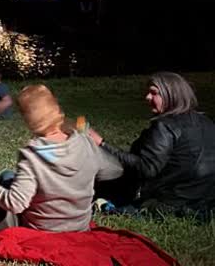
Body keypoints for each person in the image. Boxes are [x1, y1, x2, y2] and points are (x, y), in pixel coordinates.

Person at [0, 85, 122, 232]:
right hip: (80, 227)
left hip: (42, 230)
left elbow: (16, 203)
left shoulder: (33, 155)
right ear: (55, 108)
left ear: (29, 119)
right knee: (7, 176)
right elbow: (114, 170)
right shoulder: (85, 142)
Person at [89, 72, 215, 215]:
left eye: (154, 93)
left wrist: (102, 143)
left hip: (171, 202)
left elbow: (146, 168)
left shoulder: (165, 126)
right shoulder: (206, 121)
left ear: (171, 95)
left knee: (99, 182)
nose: (147, 97)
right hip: (205, 201)